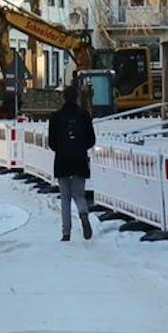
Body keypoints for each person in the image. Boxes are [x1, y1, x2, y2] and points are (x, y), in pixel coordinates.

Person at [48, 85, 96, 241]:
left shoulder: (56, 117)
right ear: (77, 97)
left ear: (63, 97)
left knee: (65, 197)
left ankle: (66, 233)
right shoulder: (84, 115)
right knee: (79, 194)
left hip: (62, 160)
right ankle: (83, 213)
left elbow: (51, 142)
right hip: (80, 159)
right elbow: (91, 139)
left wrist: (62, 149)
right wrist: (80, 148)